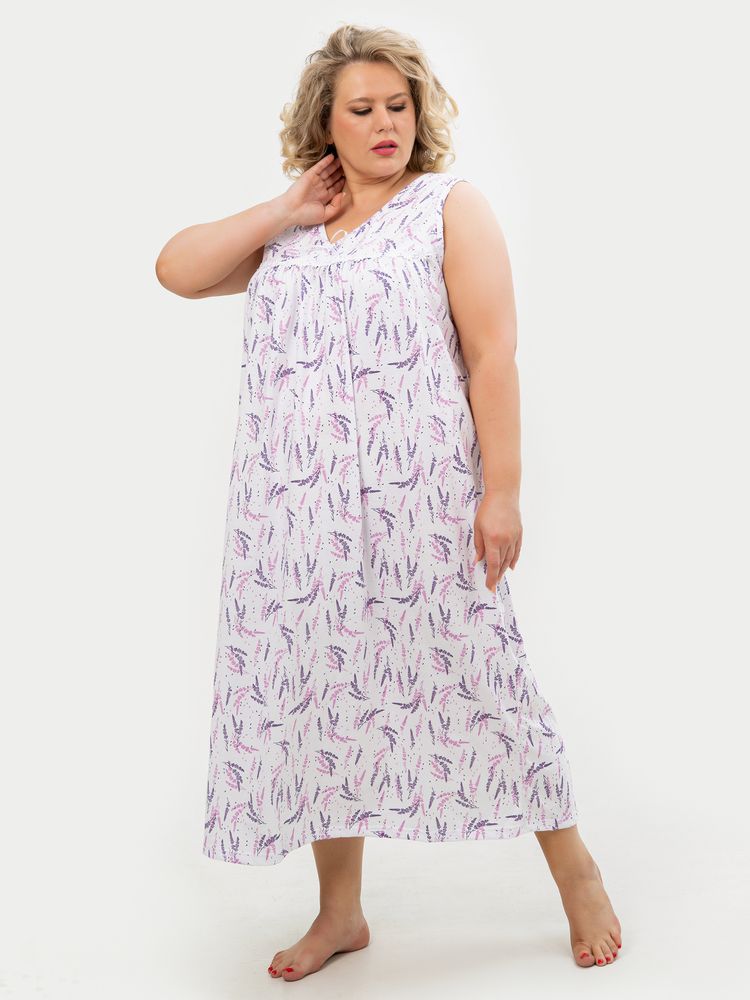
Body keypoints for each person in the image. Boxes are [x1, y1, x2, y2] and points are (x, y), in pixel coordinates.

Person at [155, 22, 621, 984]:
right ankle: (341, 912)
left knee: (487, 676)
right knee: (323, 696)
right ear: (323, 123)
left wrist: (502, 492)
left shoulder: (448, 207)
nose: (385, 124)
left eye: (398, 106)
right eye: (361, 109)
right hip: (294, 517)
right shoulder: (291, 231)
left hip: (422, 504)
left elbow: (492, 354)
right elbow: (177, 270)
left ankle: (575, 870)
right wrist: (284, 206)